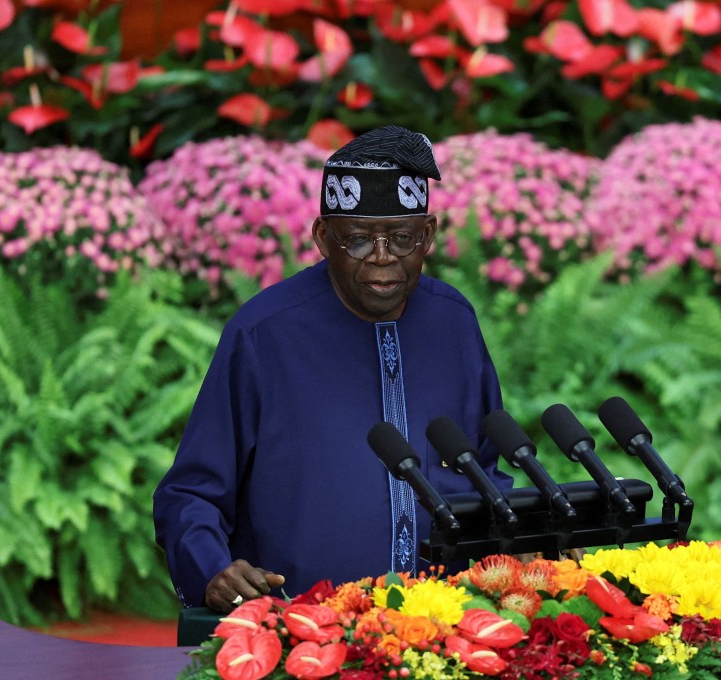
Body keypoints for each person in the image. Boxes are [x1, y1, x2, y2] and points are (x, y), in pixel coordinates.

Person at [153, 126, 511, 613]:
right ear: (324, 238)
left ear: (428, 235)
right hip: (301, 631)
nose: (383, 260)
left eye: (402, 239)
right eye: (359, 240)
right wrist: (212, 568)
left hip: (446, 627)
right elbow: (190, 493)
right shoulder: (265, 335)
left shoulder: (454, 322)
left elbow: (486, 468)